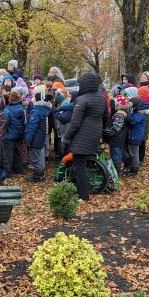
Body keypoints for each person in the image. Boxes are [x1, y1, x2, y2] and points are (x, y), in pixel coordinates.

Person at [61, 72, 109, 201]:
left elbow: (75, 123)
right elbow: (106, 118)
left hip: (82, 136)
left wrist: (65, 139)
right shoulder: (102, 98)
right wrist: (102, 134)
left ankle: (82, 195)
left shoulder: (82, 100)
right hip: (95, 134)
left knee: (79, 165)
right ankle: (82, 189)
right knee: (83, 163)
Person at [24, 92, 52, 182]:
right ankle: (40, 174)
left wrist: (27, 139)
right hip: (41, 136)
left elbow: (32, 126)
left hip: (35, 137)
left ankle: (38, 175)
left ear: (37, 100)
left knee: (35, 156)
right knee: (40, 155)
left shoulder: (36, 111)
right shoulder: (44, 109)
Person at [103, 95, 131, 172]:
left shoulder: (119, 115)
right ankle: (128, 164)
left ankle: (116, 173)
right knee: (120, 153)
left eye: (115, 103)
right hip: (120, 139)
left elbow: (115, 129)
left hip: (116, 140)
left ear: (118, 105)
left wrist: (104, 132)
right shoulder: (125, 111)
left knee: (116, 157)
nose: (114, 105)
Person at [124, 97, 149, 176]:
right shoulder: (138, 112)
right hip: (134, 136)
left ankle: (134, 169)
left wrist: (126, 115)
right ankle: (131, 167)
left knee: (134, 154)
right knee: (132, 153)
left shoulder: (140, 114)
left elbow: (133, 121)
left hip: (135, 137)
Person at [3, 91, 26, 177]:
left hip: (9, 134)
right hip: (18, 133)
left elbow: (6, 122)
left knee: (9, 154)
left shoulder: (7, 110)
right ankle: (19, 169)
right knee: (17, 152)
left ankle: (8, 172)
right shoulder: (21, 108)